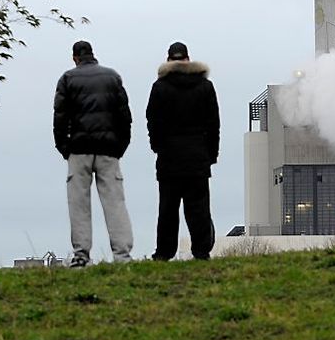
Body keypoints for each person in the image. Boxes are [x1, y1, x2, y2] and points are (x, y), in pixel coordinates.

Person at [53, 40, 134, 267]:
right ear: (92, 55)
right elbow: (125, 117)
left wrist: (64, 148)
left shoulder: (67, 79)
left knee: (79, 203)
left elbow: (60, 117)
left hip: (79, 150)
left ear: (75, 58)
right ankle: (122, 255)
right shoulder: (112, 77)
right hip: (108, 150)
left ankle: (81, 255)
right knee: (114, 201)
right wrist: (120, 146)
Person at [146, 42, 220, 261]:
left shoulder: (160, 87)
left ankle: (164, 252)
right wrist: (211, 155)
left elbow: (153, 121)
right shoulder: (205, 86)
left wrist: (157, 147)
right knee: (198, 208)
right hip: (198, 155)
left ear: (168, 60)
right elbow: (213, 124)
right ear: (188, 59)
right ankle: (201, 250)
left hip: (169, 156)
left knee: (168, 209)